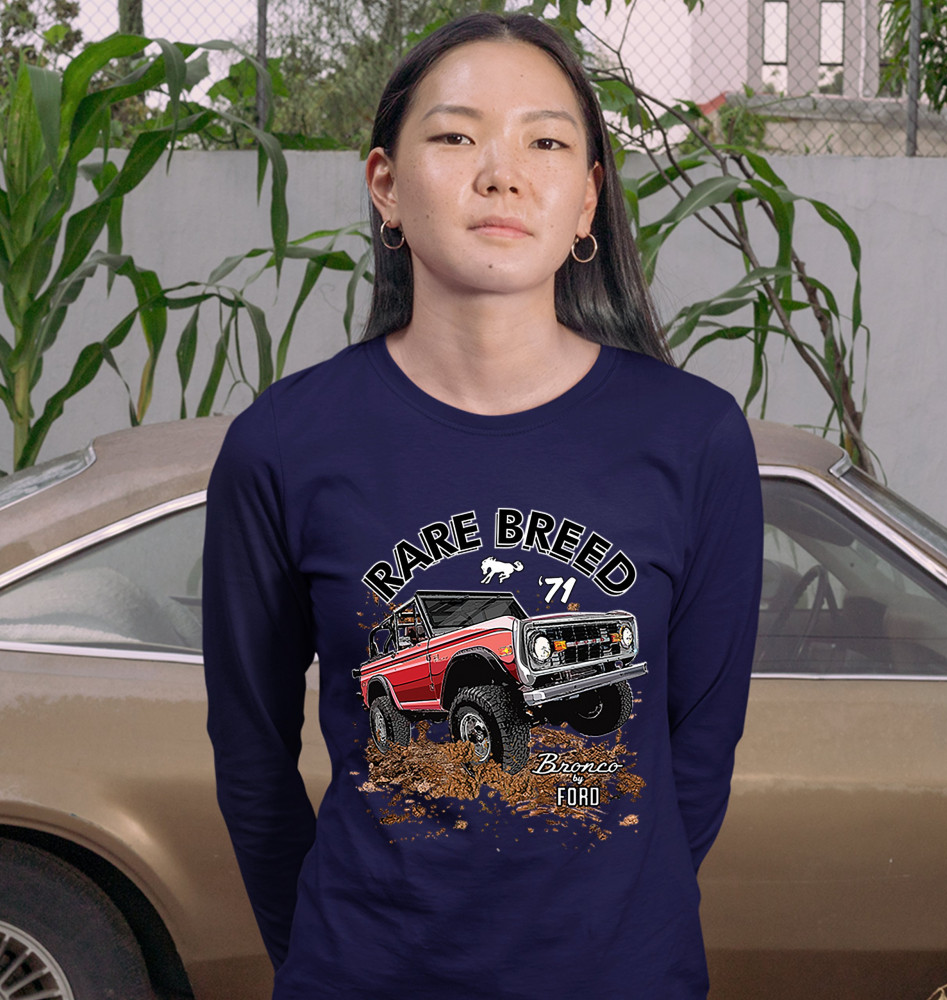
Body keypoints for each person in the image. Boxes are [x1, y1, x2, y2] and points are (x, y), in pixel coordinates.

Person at [202, 11, 763, 1000]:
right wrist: (329, 954)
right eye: (457, 136)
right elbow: (251, 755)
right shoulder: (283, 445)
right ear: (386, 185)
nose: (502, 174)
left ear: (587, 199)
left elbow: (699, 752)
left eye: (545, 143)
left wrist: (612, 928)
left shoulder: (695, 438)